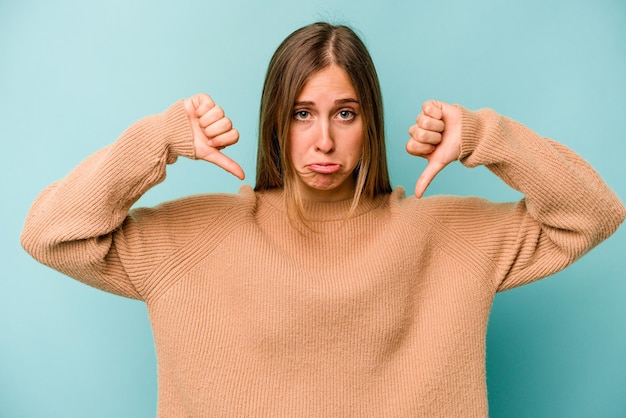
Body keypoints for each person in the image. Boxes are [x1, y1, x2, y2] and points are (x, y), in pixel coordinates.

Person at [21, 22, 625, 417]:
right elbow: (50, 234)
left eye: (345, 113)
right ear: (274, 124)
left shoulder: (444, 236)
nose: (323, 141)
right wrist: (156, 139)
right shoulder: (196, 236)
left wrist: (487, 137)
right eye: (302, 113)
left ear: (371, 124)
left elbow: (593, 214)